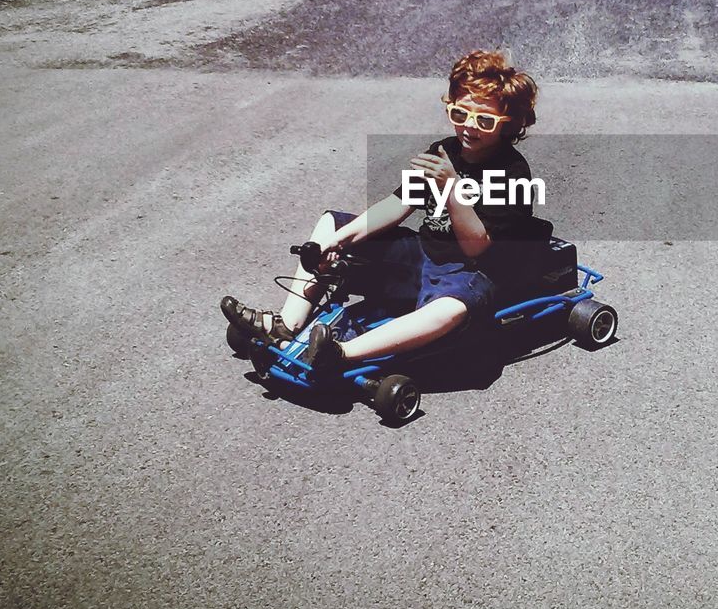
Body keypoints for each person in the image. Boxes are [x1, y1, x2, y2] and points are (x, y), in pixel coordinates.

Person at [221, 50, 539, 380]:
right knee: (333, 223)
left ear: (510, 125)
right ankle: (286, 326)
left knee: (450, 310)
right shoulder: (445, 151)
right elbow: (398, 205)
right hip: (425, 256)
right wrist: (341, 240)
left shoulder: (511, 172)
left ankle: (340, 353)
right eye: (460, 114)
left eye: (484, 121)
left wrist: (452, 187)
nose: (469, 128)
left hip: (471, 273)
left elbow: (477, 247)